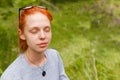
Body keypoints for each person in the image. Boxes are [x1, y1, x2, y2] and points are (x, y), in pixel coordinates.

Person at [0, 6, 69, 80]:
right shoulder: (11, 76)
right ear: (22, 34)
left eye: (47, 30)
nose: (42, 36)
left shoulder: (54, 56)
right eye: (34, 31)